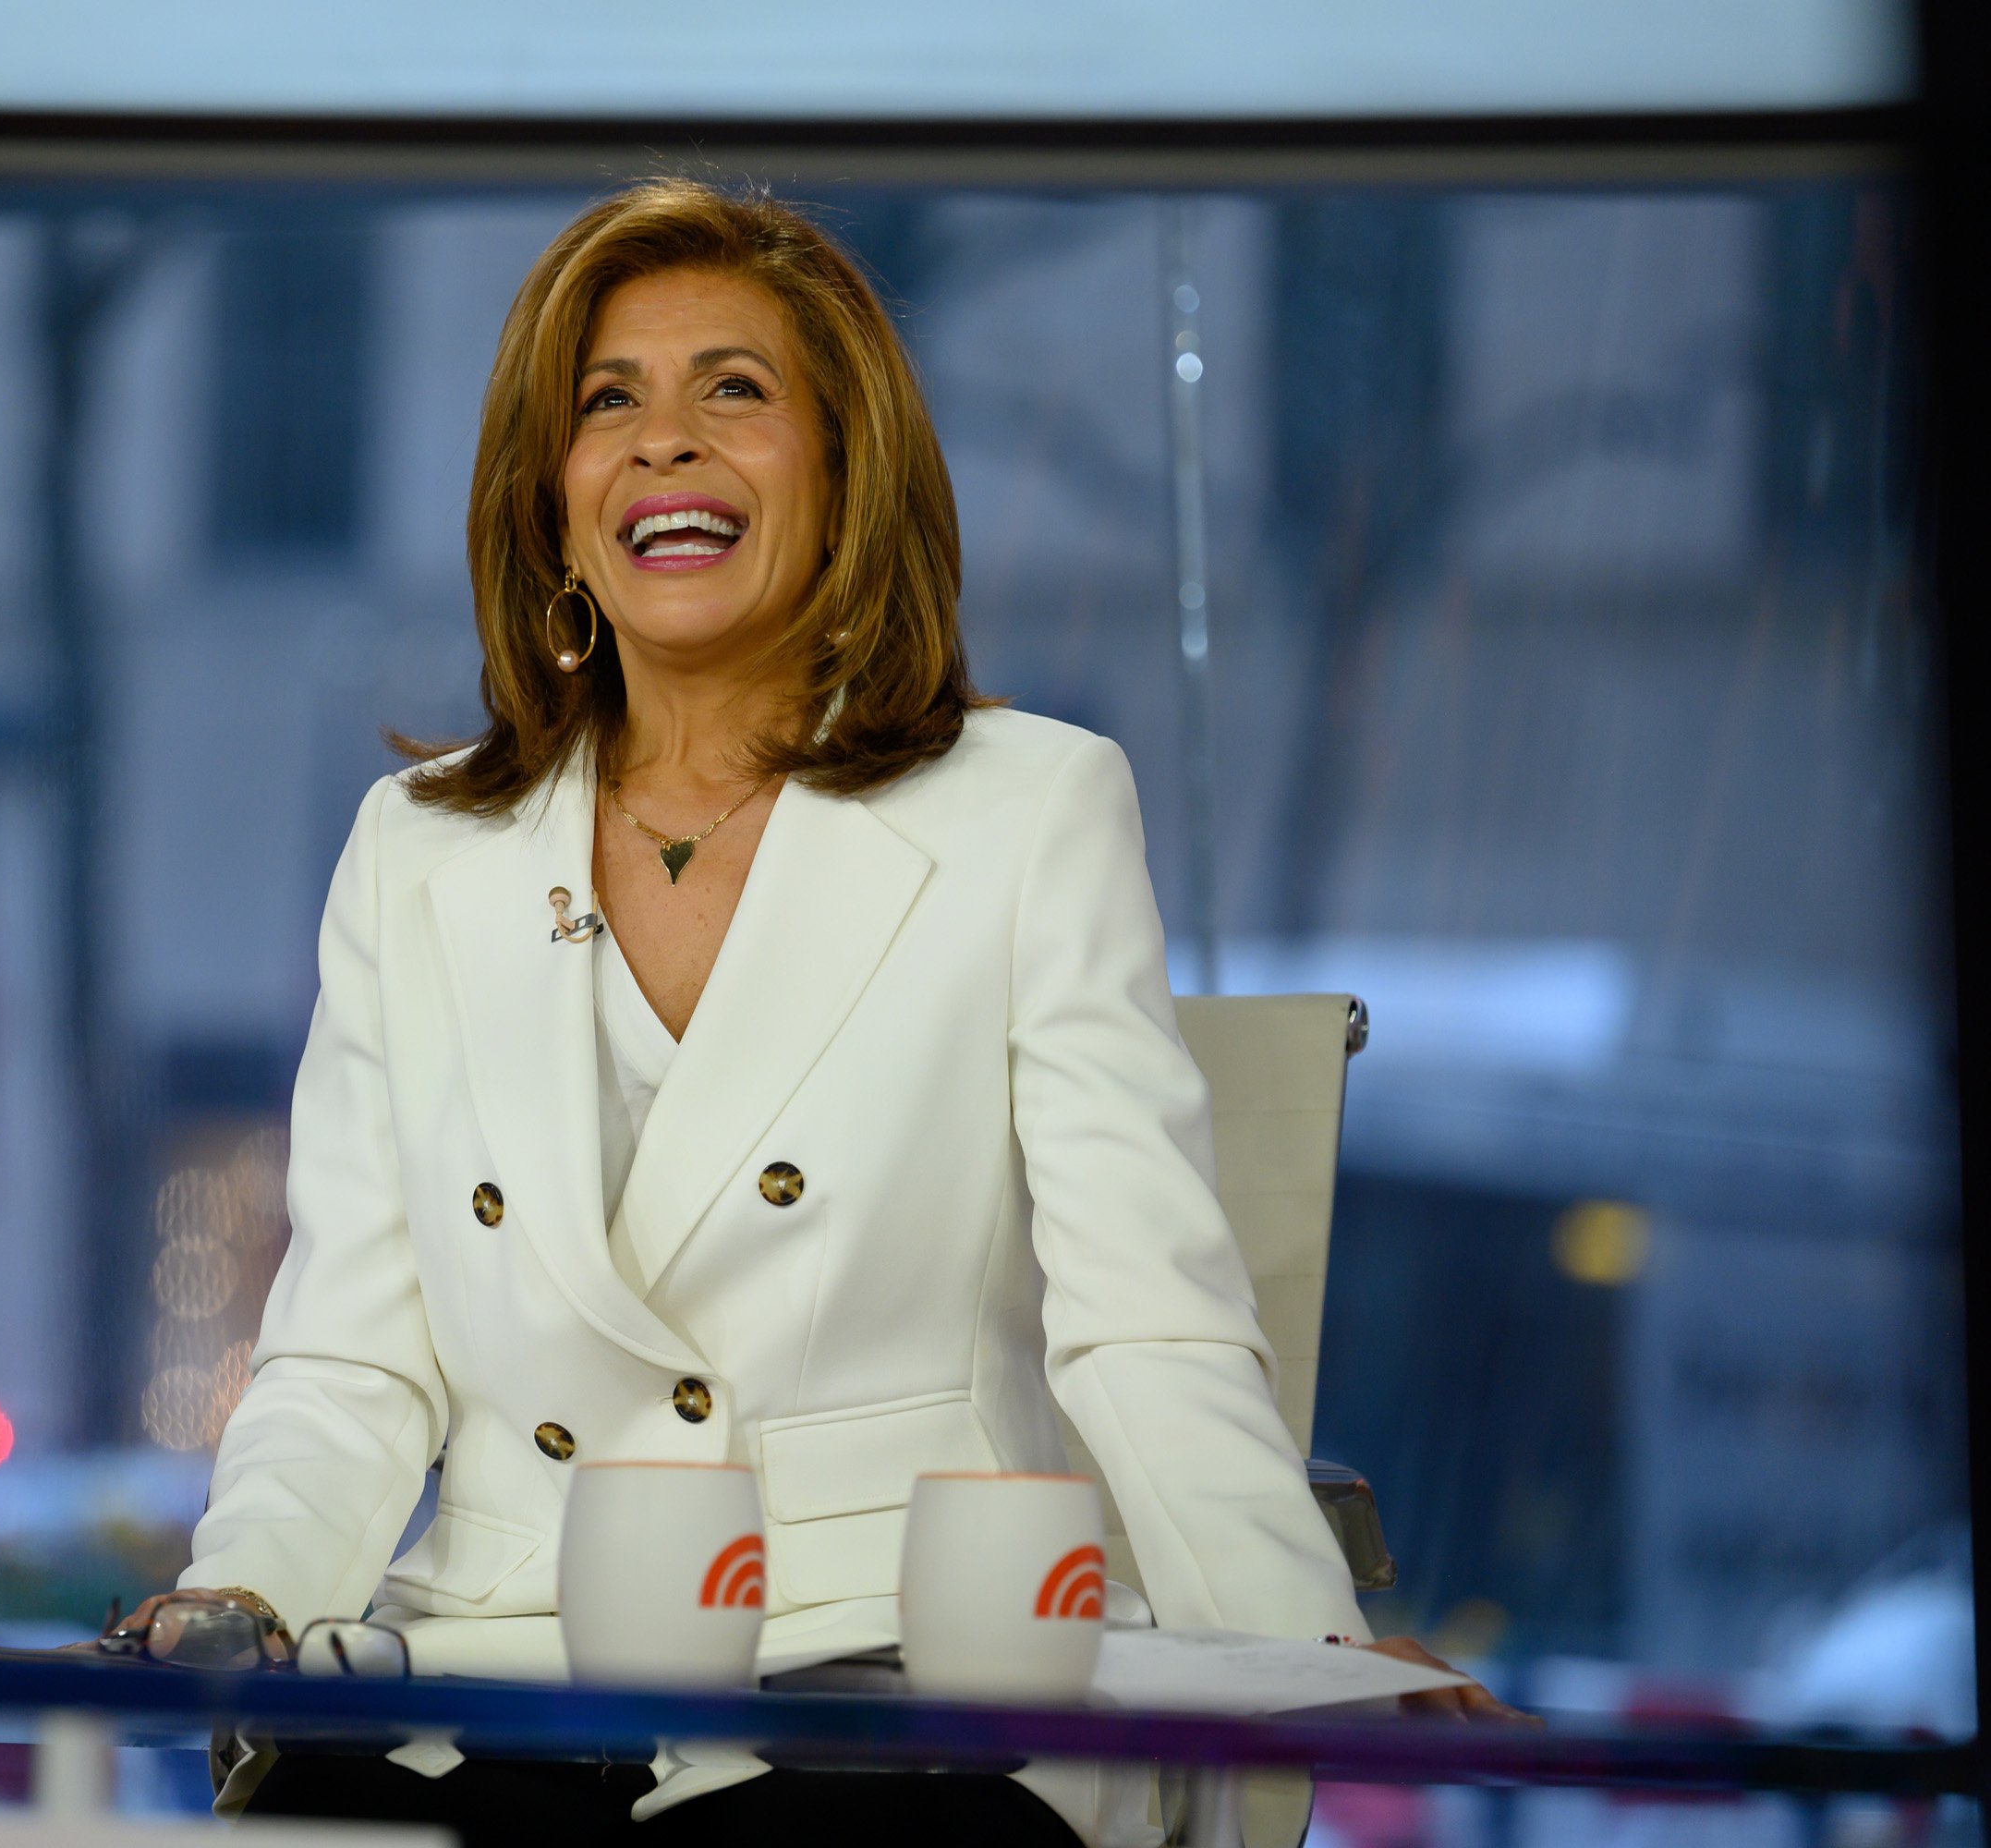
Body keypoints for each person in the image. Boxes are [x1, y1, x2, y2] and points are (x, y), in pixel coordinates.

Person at [115, 176, 1517, 1840]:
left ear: (843, 476)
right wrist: (242, 1597)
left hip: (902, 1685)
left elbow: (1146, 1329)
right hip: (502, 1669)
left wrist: (1309, 1660)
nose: (664, 443)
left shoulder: (1030, 809)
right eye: (607, 402)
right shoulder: (416, 856)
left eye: (735, 390)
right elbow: (349, 1359)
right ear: (552, 506)